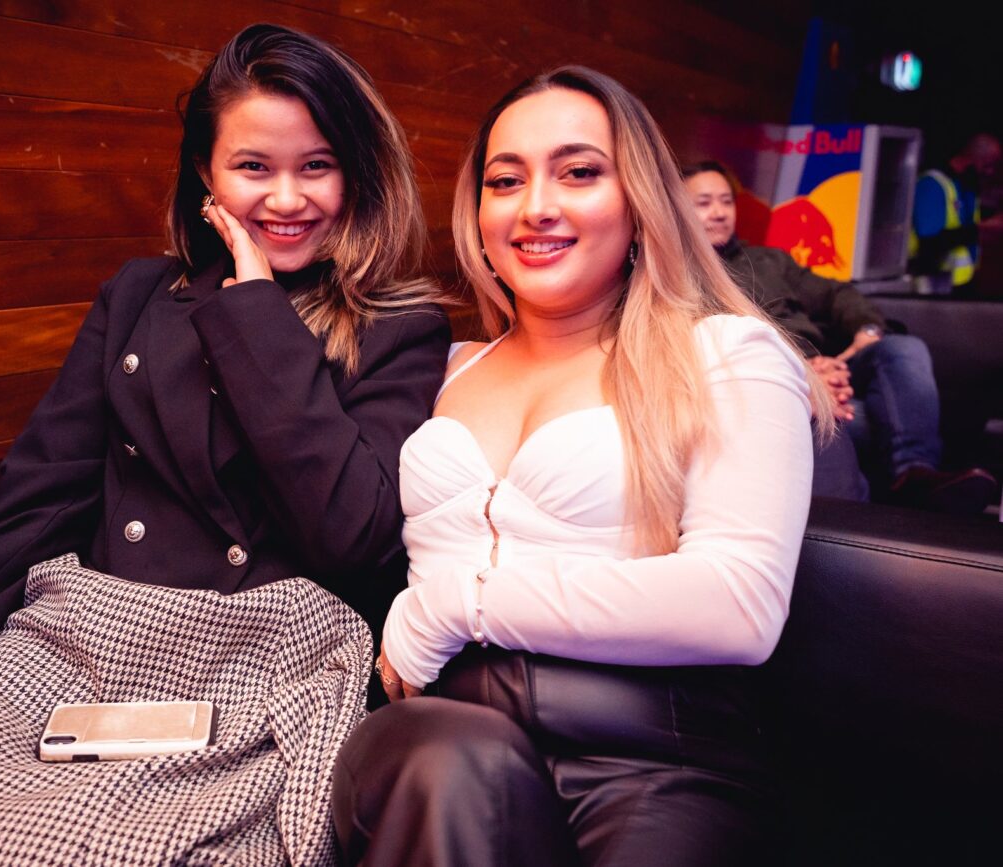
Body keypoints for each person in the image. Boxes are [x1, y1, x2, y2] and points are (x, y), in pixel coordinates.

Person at [0, 23, 451, 865]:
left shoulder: (398, 327)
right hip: (76, 641)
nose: (285, 199)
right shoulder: (138, 297)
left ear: (358, 171)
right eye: (253, 167)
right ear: (205, 174)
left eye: (317, 166)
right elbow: (33, 503)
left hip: (260, 661)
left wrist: (256, 309)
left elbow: (353, 533)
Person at [331, 66, 831, 867]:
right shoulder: (439, 366)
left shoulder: (726, 353)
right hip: (434, 745)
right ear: (479, 215)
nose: (536, 206)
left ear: (639, 201)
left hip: (652, 758)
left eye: (579, 172)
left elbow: (740, 602)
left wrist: (460, 603)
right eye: (506, 180)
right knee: (447, 760)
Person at [684, 160, 999, 514]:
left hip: (833, 369)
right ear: (678, 208)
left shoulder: (768, 261)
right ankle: (869, 518)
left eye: (726, 201)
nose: (719, 213)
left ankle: (914, 473)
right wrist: (802, 374)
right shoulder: (680, 276)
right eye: (704, 203)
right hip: (778, 385)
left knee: (902, 348)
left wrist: (866, 330)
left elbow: (837, 294)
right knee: (854, 417)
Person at [910, 132, 1003, 295]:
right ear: (975, 158)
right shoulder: (932, 185)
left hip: (958, 283)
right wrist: (983, 228)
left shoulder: (964, 186)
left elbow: (964, 222)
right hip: (930, 286)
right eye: (987, 165)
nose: (989, 172)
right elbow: (931, 242)